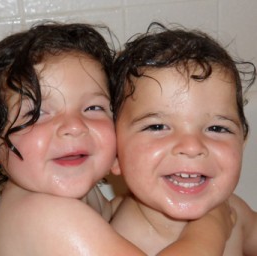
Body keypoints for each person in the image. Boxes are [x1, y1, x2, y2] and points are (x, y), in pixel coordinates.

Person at [0, 21, 234, 256]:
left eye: (92, 108)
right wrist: (213, 223)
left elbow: (109, 219)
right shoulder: (42, 214)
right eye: (37, 113)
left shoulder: (78, 194)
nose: (74, 126)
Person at [109, 22, 257, 256]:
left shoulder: (233, 209)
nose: (192, 147)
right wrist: (213, 227)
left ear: (242, 142)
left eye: (217, 128)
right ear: (114, 152)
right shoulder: (117, 237)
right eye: (157, 126)